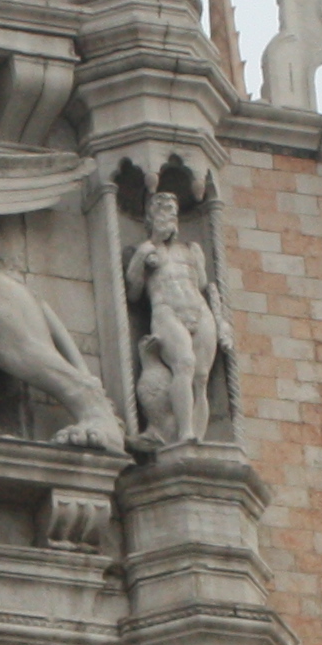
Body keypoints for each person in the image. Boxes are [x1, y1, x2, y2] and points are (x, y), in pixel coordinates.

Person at [126, 186, 234, 450]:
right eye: (163, 211)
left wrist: (222, 322)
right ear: (151, 217)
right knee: (184, 364)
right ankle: (184, 433)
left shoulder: (192, 249)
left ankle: (197, 437)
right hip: (166, 311)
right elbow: (133, 292)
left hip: (199, 309)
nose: (170, 216)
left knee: (201, 378)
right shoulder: (143, 251)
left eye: (173, 211)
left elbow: (206, 287)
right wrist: (143, 257)